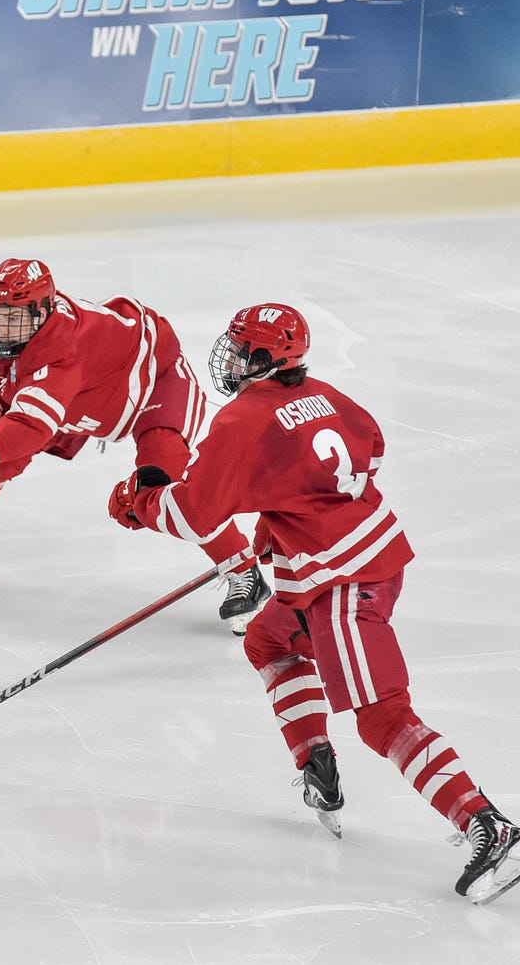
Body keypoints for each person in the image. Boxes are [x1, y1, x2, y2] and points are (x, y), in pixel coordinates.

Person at [106, 302, 520, 905]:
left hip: (343, 586)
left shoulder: (241, 420)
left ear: (265, 357)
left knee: (383, 718)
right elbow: (369, 451)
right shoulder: (327, 394)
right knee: (268, 639)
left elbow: (194, 512)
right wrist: (287, 507)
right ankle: (316, 763)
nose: (230, 358)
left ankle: (487, 823)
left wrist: (137, 504)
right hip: (369, 560)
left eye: (241, 348)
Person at [0, 258, 268, 634]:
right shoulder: (22, 331)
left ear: (42, 310)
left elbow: (31, 424)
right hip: (89, 394)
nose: (1, 325)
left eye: (12, 314)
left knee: (167, 481)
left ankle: (245, 571)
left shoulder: (64, 350)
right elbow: (6, 383)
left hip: (156, 385)